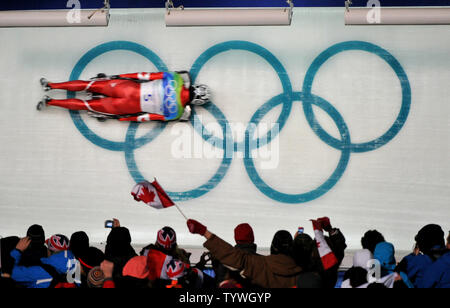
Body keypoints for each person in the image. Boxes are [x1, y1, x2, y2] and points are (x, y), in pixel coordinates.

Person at [38, 71, 211, 122]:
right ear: (196, 102)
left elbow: (145, 76)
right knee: (86, 105)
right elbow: (147, 118)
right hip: (129, 107)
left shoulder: (176, 78)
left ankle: (51, 85)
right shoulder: (177, 113)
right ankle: (51, 102)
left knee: (88, 84)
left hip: (128, 89)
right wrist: (123, 119)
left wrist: (119, 77)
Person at [186, 219, 302, 288]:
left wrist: (204, 232)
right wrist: (299, 243)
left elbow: (233, 256)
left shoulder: (261, 265)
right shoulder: (304, 268)